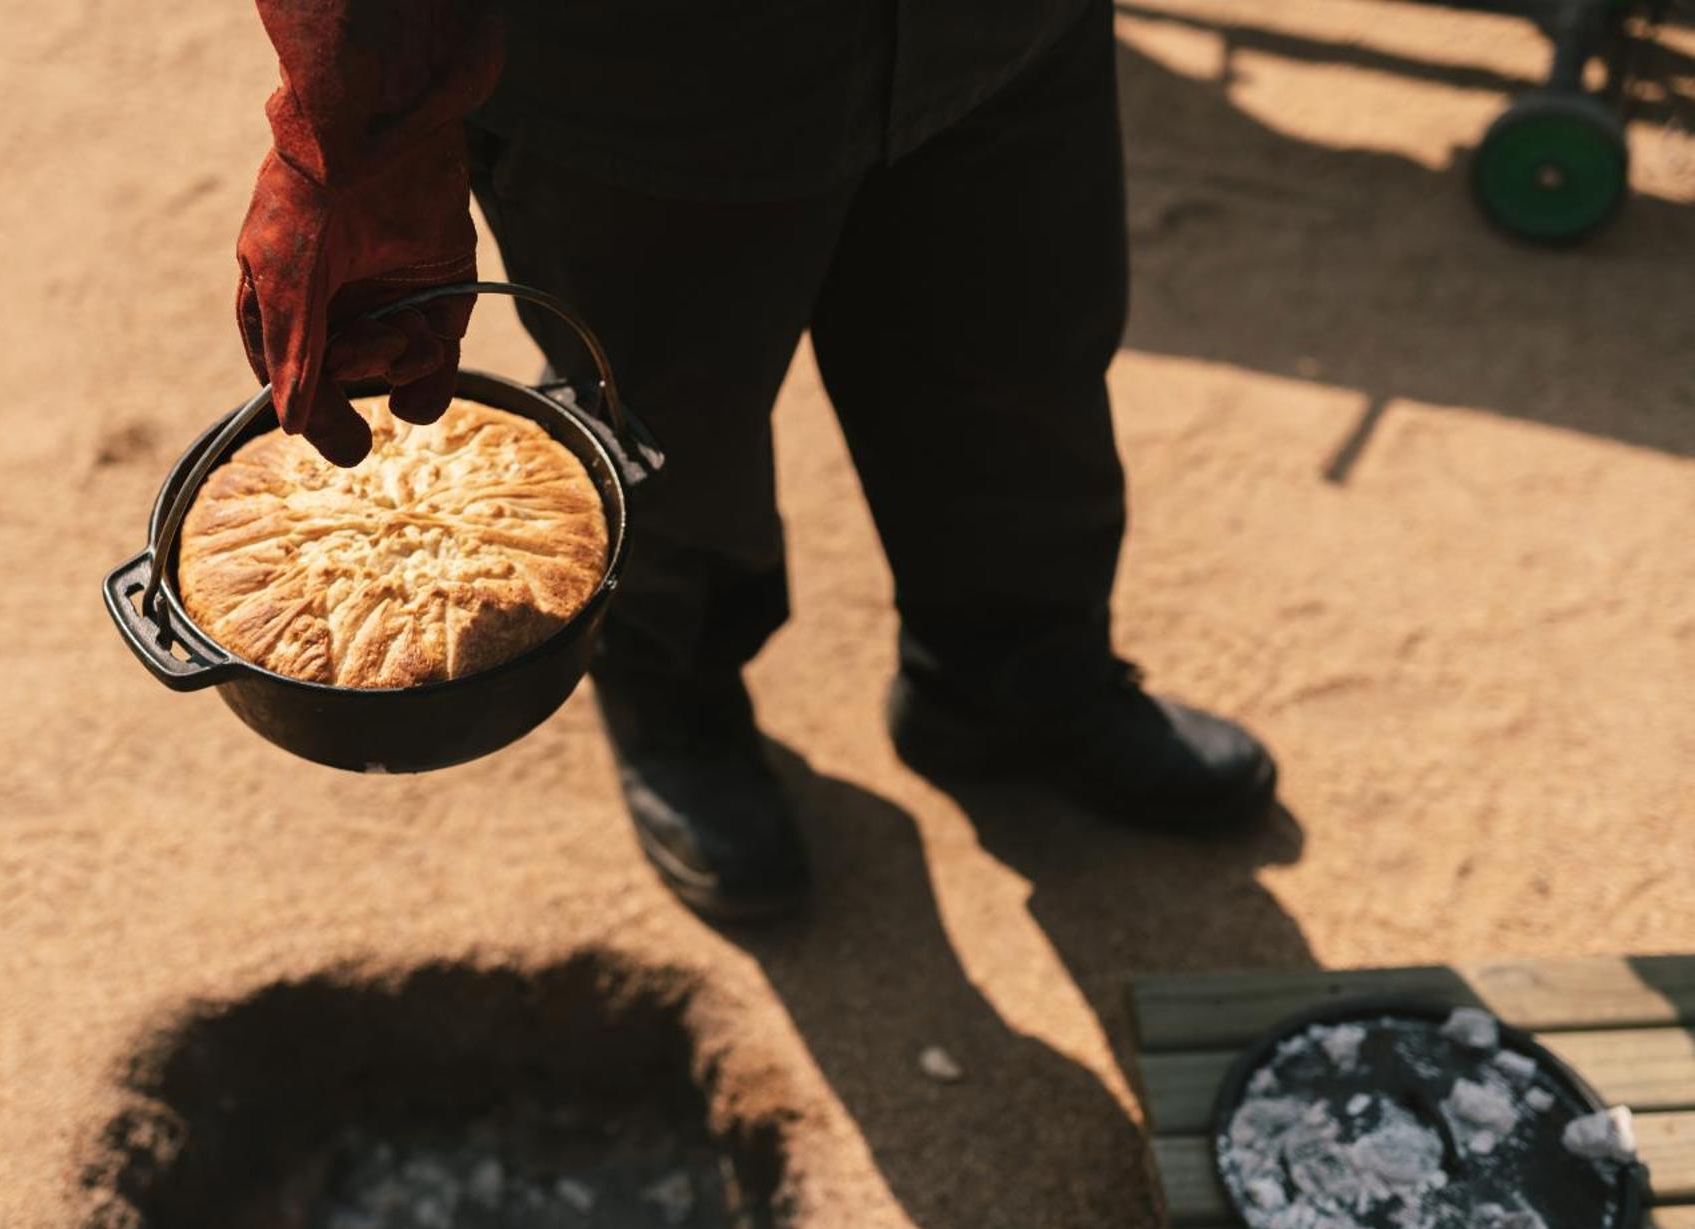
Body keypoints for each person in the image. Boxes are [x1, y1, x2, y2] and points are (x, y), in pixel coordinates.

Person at [235, 0, 1279, 921]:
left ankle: (1012, 672)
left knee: (1019, 362)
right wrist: (349, 126)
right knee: (664, 431)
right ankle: (676, 706)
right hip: (645, 74)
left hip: (1002, 30)